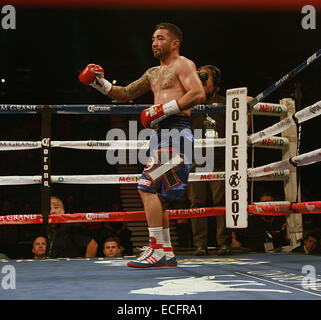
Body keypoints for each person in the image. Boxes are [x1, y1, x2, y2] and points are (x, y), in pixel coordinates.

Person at [79, 22, 205, 268]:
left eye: (160, 38)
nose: (154, 43)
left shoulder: (183, 64)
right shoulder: (152, 73)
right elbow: (125, 92)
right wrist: (98, 83)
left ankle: (156, 248)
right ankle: (166, 251)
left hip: (178, 135)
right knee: (155, 191)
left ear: (174, 43)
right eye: (152, 39)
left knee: (146, 185)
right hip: (162, 136)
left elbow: (197, 93)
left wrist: (162, 109)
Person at [186, 65, 228, 255]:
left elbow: (244, 119)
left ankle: (224, 243)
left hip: (219, 158)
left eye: (205, 76)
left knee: (221, 201)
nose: (201, 79)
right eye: (199, 76)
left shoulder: (225, 102)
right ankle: (200, 245)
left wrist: (248, 105)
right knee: (196, 202)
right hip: (197, 159)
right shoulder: (190, 102)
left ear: (215, 82)